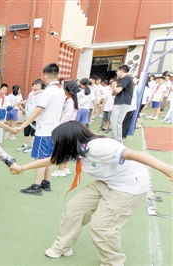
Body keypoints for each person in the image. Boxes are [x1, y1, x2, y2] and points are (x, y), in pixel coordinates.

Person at [10, 121, 173, 266]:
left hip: (128, 187)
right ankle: (63, 246)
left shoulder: (99, 146)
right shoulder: (78, 148)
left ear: (69, 140)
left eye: (58, 141)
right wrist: (22, 168)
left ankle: (113, 262)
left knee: (101, 227)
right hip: (107, 182)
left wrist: (168, 170)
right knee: (74, 209)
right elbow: (53, 160)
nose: (56, 144)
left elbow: (136, 154)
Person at [16, 63, 65, 195]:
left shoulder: (48, 91)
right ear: (57, 74)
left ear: (44, 75)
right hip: (55, 129)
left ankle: (36, 186)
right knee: (49, 157)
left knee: (40, 159)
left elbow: (38, 110)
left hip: (44, 131)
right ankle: (46, 182)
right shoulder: (60, 90)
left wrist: (23, 125)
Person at [51, 80, 80, 177]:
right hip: (70, 126)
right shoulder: (72, 100)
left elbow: (66, 116)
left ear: (68, 90)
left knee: (61, 149)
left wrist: (58, 126)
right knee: (66, 149)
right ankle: (65, 168)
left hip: (65, 127)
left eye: (64, 87)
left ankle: (61, 170)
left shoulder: (70, 101)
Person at [17, 79, 44, 153]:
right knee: (26, 131)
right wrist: (20, 103)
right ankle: (25, 145)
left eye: (38, 86)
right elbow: (28, 100)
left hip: (35, 118)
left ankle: (31, 146)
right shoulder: (31, 93)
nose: (36, 87)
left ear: (41, 87)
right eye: (35, 85)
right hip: (27, 116)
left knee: (33, 132)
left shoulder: (42, 94)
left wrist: (40, 91)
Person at [111, 65, 134, 142]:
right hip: (120, 103)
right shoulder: (123, 80)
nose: (117, 73)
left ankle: (118, 142)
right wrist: (115, 90)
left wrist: (115, 89)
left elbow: (117, 91)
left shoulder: (126, 78)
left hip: (123, 103)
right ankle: (117, 140)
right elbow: (113, 93)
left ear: (122, 70)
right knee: (114, 121)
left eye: (117, 71)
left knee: (117, 122)